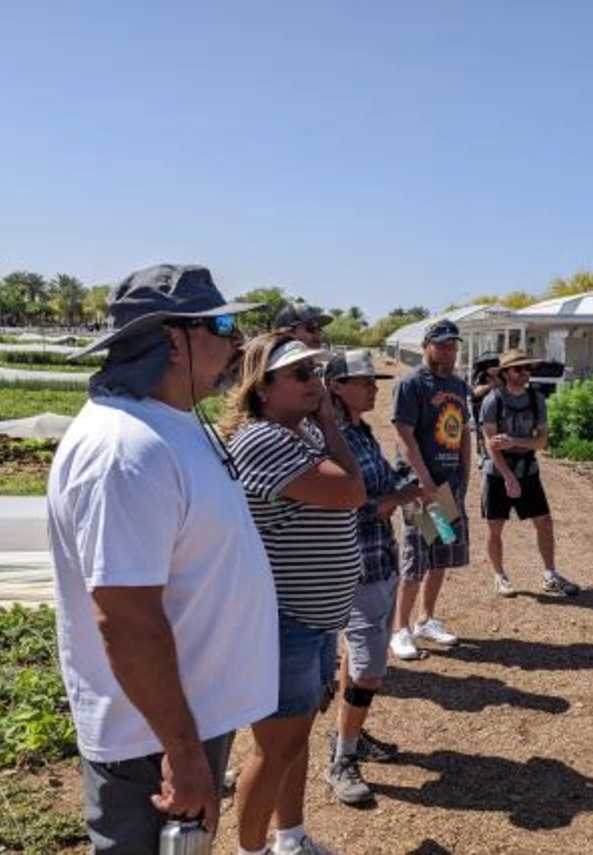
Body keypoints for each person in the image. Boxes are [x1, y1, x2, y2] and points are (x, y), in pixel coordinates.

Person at [46, 264, 278, 852]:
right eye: (222, 323)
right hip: (148, 741)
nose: (236, 341)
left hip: (184, 721)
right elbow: (126, 619)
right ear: (173, 339)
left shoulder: (173, 424)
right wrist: (181, 751)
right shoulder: (124, 450)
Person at [222, 333, 366, 855]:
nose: (316, 382)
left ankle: (291, 837)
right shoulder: (266, 439)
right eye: (300, 375)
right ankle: (252, 850)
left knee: (293, 741)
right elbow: (352, 490)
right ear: (263, 387)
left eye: (315, 372)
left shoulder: (296, 431)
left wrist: (321, 422)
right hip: (285, 621)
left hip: (311, 619)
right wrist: (330, 421)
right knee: (273, 748)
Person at [323, 349, 422, 805]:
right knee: (370, 671)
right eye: (363, 381)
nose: (373, 387)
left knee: (357, 661)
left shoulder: (360, 432)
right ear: (337, 387)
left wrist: (400, 486)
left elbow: (378, 486)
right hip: (358, 566)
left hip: (380, 559)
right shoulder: (330, 438)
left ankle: (349, 738)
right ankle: (342, 759)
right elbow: (353, 503)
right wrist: (403, 496)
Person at [389, 319, 472, 660]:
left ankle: (425, 620)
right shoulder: (412, 383)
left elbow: (463, 432)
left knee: (439, 556)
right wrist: (423, 481)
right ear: (426, 346)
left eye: (453, 345)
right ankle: (400, 629)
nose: (449, 351)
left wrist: (464, 479)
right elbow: (404, 434)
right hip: (421, 489)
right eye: (442, 345)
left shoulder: (457, 384)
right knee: (415, 560)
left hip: (447, 486)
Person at [481, 349, 580, 598]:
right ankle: (500, 576)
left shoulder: (536, 400)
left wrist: (514, 441)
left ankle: (549, 573)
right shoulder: (493, 400)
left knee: (544, 522)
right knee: (495, 526)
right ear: (504, 373)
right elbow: (491, 446)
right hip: (497, 472)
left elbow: (542, 442)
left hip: (529, 470)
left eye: (527, 368)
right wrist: (508, 477)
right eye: (518, 369)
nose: (524, 373)